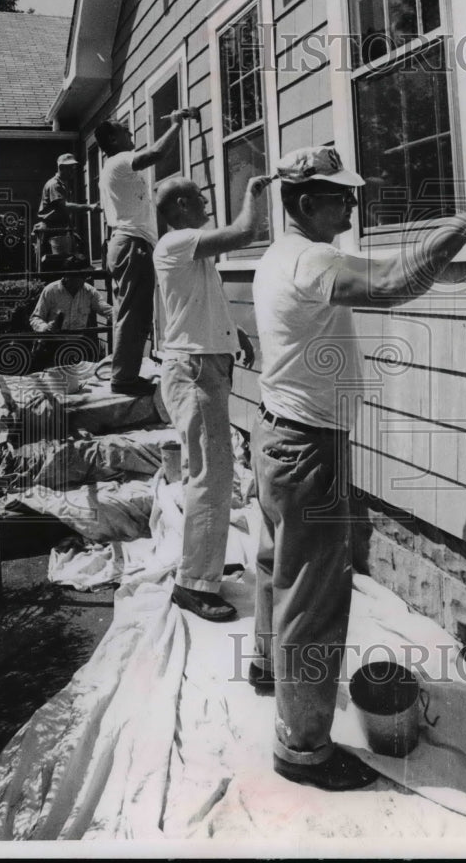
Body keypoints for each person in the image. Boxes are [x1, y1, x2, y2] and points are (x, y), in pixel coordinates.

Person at [250, 145, 466, 791]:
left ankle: (265, 667)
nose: (354, 204)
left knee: (276, 568)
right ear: (308, 204)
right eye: (342, 196)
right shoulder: (312, 259)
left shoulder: (282, 254)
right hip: (308, 450)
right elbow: (393, 283)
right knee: (314, 601)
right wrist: (458, 229)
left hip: (277, 435)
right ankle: (302, 749)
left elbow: (381, 271)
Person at [153, 173, 273, 622]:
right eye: (200, 198)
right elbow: (246, 232)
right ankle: (193, 585)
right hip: (195, 371)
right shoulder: (175, 242)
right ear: (181, 206)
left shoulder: (188, 252)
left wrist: (232, 330)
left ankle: (200, 568)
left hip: (202, 365)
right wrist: (252, 196)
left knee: (206, 472)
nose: (206, 204)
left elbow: (199, 302)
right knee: (212, 476)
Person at [95, 111, 185, 396]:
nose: (131, 135)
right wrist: (176, 124)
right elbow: (156, 153)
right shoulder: (120, 161)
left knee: (133, 312)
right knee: (135, 313)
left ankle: (125, 374)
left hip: (127, 243)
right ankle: (124, 379)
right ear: (112, 138)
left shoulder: (113, 169)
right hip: (132, 244)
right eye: (125, 131)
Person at [29, 255, 113, 370]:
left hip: (77, 345)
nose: (86, 278)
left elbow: (106, 309)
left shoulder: (89, 291)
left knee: (79, 380)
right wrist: (45, 328)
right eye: (82, 275)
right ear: (68, 275)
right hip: (52, 345)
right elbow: (35, 318)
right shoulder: (51, 291)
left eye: (86, 275)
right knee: (55, 381)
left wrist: (123, 318)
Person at [36, 153, 98, 267]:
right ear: (60, 168)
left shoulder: (63, 184)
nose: (72, 171)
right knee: (55, 265)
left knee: (67, 263)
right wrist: (89, 207)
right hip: (51, 231)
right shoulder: (54, 184)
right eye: (69, 168)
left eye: (73, 168)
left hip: (60, 229)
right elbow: (63, 207)